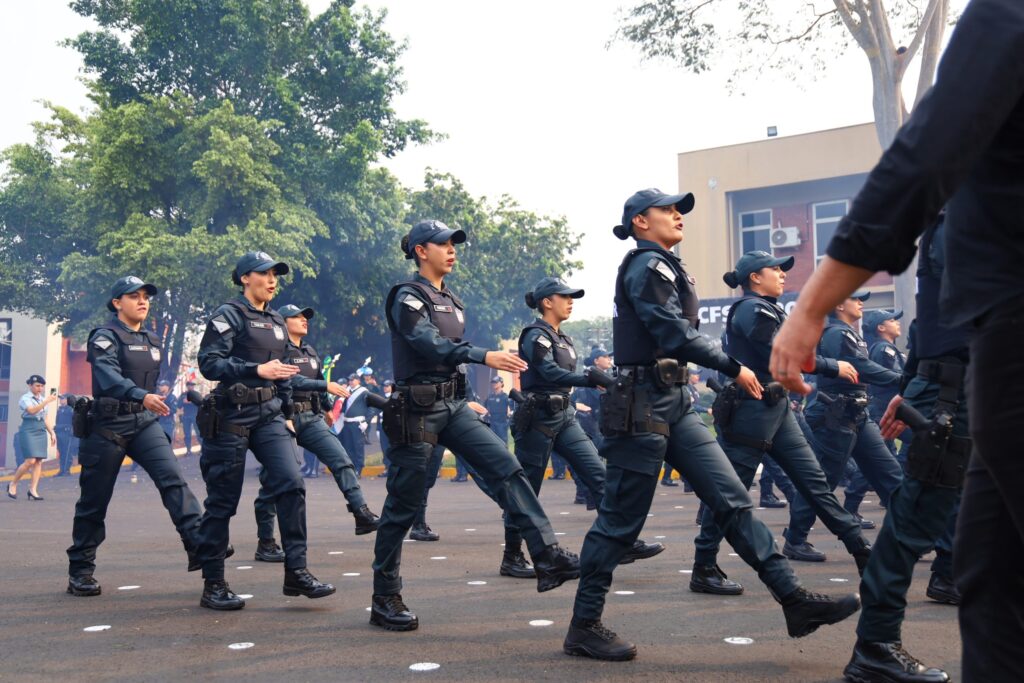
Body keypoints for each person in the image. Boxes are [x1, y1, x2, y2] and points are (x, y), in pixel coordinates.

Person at [770, 5, 1024, 678]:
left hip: (962, 384)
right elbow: (925, 154)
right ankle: (874, 642)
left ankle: (873, 640)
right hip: (951, 391)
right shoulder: (948, 224)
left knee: (970, 554)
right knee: (945, 539)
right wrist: (910, 383)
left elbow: (927, 150)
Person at [564, 189, 859, 661]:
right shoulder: (645, 265)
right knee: (620, 522)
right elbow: (670, 332)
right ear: (640, 221)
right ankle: (584, 625)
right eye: (667, 209)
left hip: (674, 401)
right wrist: (731, 364)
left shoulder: (667, 266)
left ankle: (793, 599)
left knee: (733, 500)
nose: (677, 215)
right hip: (642, 405)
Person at [373, 219, 580, 631]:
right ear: (419, 251)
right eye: (442, 243)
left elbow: (444, 356)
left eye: (453, 243)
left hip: (452, 405)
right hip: (416, 410)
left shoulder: (452, 298)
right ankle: (384, 596)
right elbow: (427, 343)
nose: (451, 249)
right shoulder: (407, 296)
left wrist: (467, 395)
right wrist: (482, 355)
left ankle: (546, 555)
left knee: (506, 469)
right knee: (403, 505)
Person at [690, 251, 872, 597]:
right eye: (774, 269)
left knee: (815, 482)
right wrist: (830, 366)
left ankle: (861, 549)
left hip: (775, 407)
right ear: (754, 278)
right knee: (730, 494)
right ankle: (703, 565)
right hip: (751, 410)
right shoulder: (750, 309)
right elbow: (781, 350)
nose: (782, 274)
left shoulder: (768, 309)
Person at [192, 252, 334, 611]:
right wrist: (257, 369)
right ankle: (214, 583)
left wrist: (287, 410)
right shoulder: (229, 315)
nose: (272, 280)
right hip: (231, 414)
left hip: (270, 414)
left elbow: (284, 369)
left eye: (275, 275)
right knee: (223, 501)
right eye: (264, 274)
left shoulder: (275, 319)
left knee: (291, 483)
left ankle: (296, 571)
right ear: (244, 278)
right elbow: (209, 363)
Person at [504, 277, 664, 580]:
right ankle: (511, 555)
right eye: (564, 296)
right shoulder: (535, 335)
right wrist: (591, 378)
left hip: (564, 415)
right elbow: (548, 370)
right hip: (537, 417)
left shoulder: (563, 338)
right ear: (547, 302)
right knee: (526, 490)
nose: (570, 301)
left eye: (571, 296)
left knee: (599, 475)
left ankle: (621, 543)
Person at [65, 277, 204, 597]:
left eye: (146, 297)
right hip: (107, 425)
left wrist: (145, 400)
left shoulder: (153, 340)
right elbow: (108, 375)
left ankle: (200, 545)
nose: (143, 301)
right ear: (117, 303)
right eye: (134, 296)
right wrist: (141, 395)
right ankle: (81, 569)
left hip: (143, 421)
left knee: (173, 480)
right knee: (94, 501)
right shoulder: (104, 336)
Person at [251, 304, 380, 562]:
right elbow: (290, 380)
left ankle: (360, 512)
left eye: (305, 317)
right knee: (273, 481)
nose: (303, 321)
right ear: (282, 322)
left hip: (310, 418)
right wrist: (326, 385)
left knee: (341, 460)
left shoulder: (309, 351)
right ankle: (265, 542)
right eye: (297, 317)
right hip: (282, 418)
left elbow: (318, 378)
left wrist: (327, 407)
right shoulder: (277, 350)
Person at [781, 293, 903, 563]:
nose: (861, 302)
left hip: (857, 413)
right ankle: (795, 540)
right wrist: (903, 379)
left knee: (890, 474)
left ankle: (910, 536)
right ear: (838, 304)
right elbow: (860, 368)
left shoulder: (848, 332)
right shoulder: (836, 332)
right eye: (855, 298)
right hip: (836, 415)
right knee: (823, 481)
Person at [7, 375, 57, 500]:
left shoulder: (43, 399)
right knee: (30, 460)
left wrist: (52, 432)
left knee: (39, 461)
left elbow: (45, 417)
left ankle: (33, 490)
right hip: (29, 428)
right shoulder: (25, 398)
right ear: (30, 385)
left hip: (40, 429)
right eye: (37, 386)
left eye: (41, 386)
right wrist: (46, 401)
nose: (40, 388)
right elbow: (32, 411)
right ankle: (13, 483)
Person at [339, 373, 369, 478]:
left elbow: (371, 406)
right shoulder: (347, 391)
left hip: (358, 423)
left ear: (358, 380)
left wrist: (367, 421)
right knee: (348, 447)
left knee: (358, 447)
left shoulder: (363, 391)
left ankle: (358, 469)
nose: (351, 382)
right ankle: (351, 468)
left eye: (353, 380)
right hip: (347, 423)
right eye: (350, 380)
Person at [55, 394, 76, 476]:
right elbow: (57, 421)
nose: (61, 400)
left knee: (67, 452)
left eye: (63, 399)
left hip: (67, 433)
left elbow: (74, 422)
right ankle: (61, 469)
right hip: (60, 432)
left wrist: (72, 431)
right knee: (61, 452)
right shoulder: (60, 409)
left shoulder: (71, 410)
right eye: (60, 399)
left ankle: (66, 470)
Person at [180, 381, 202, 456]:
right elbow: (178, 405)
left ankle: (202, 449)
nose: (191, 387)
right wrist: (183, 402)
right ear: (187, 386)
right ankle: (188, 450)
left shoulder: (197, 394)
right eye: (189, 385)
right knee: (187, 434)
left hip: (196, 416)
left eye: (192, 385)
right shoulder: (183, 394)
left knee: (199, 433)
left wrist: (191, 402)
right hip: (186, 416)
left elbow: (201, 404)